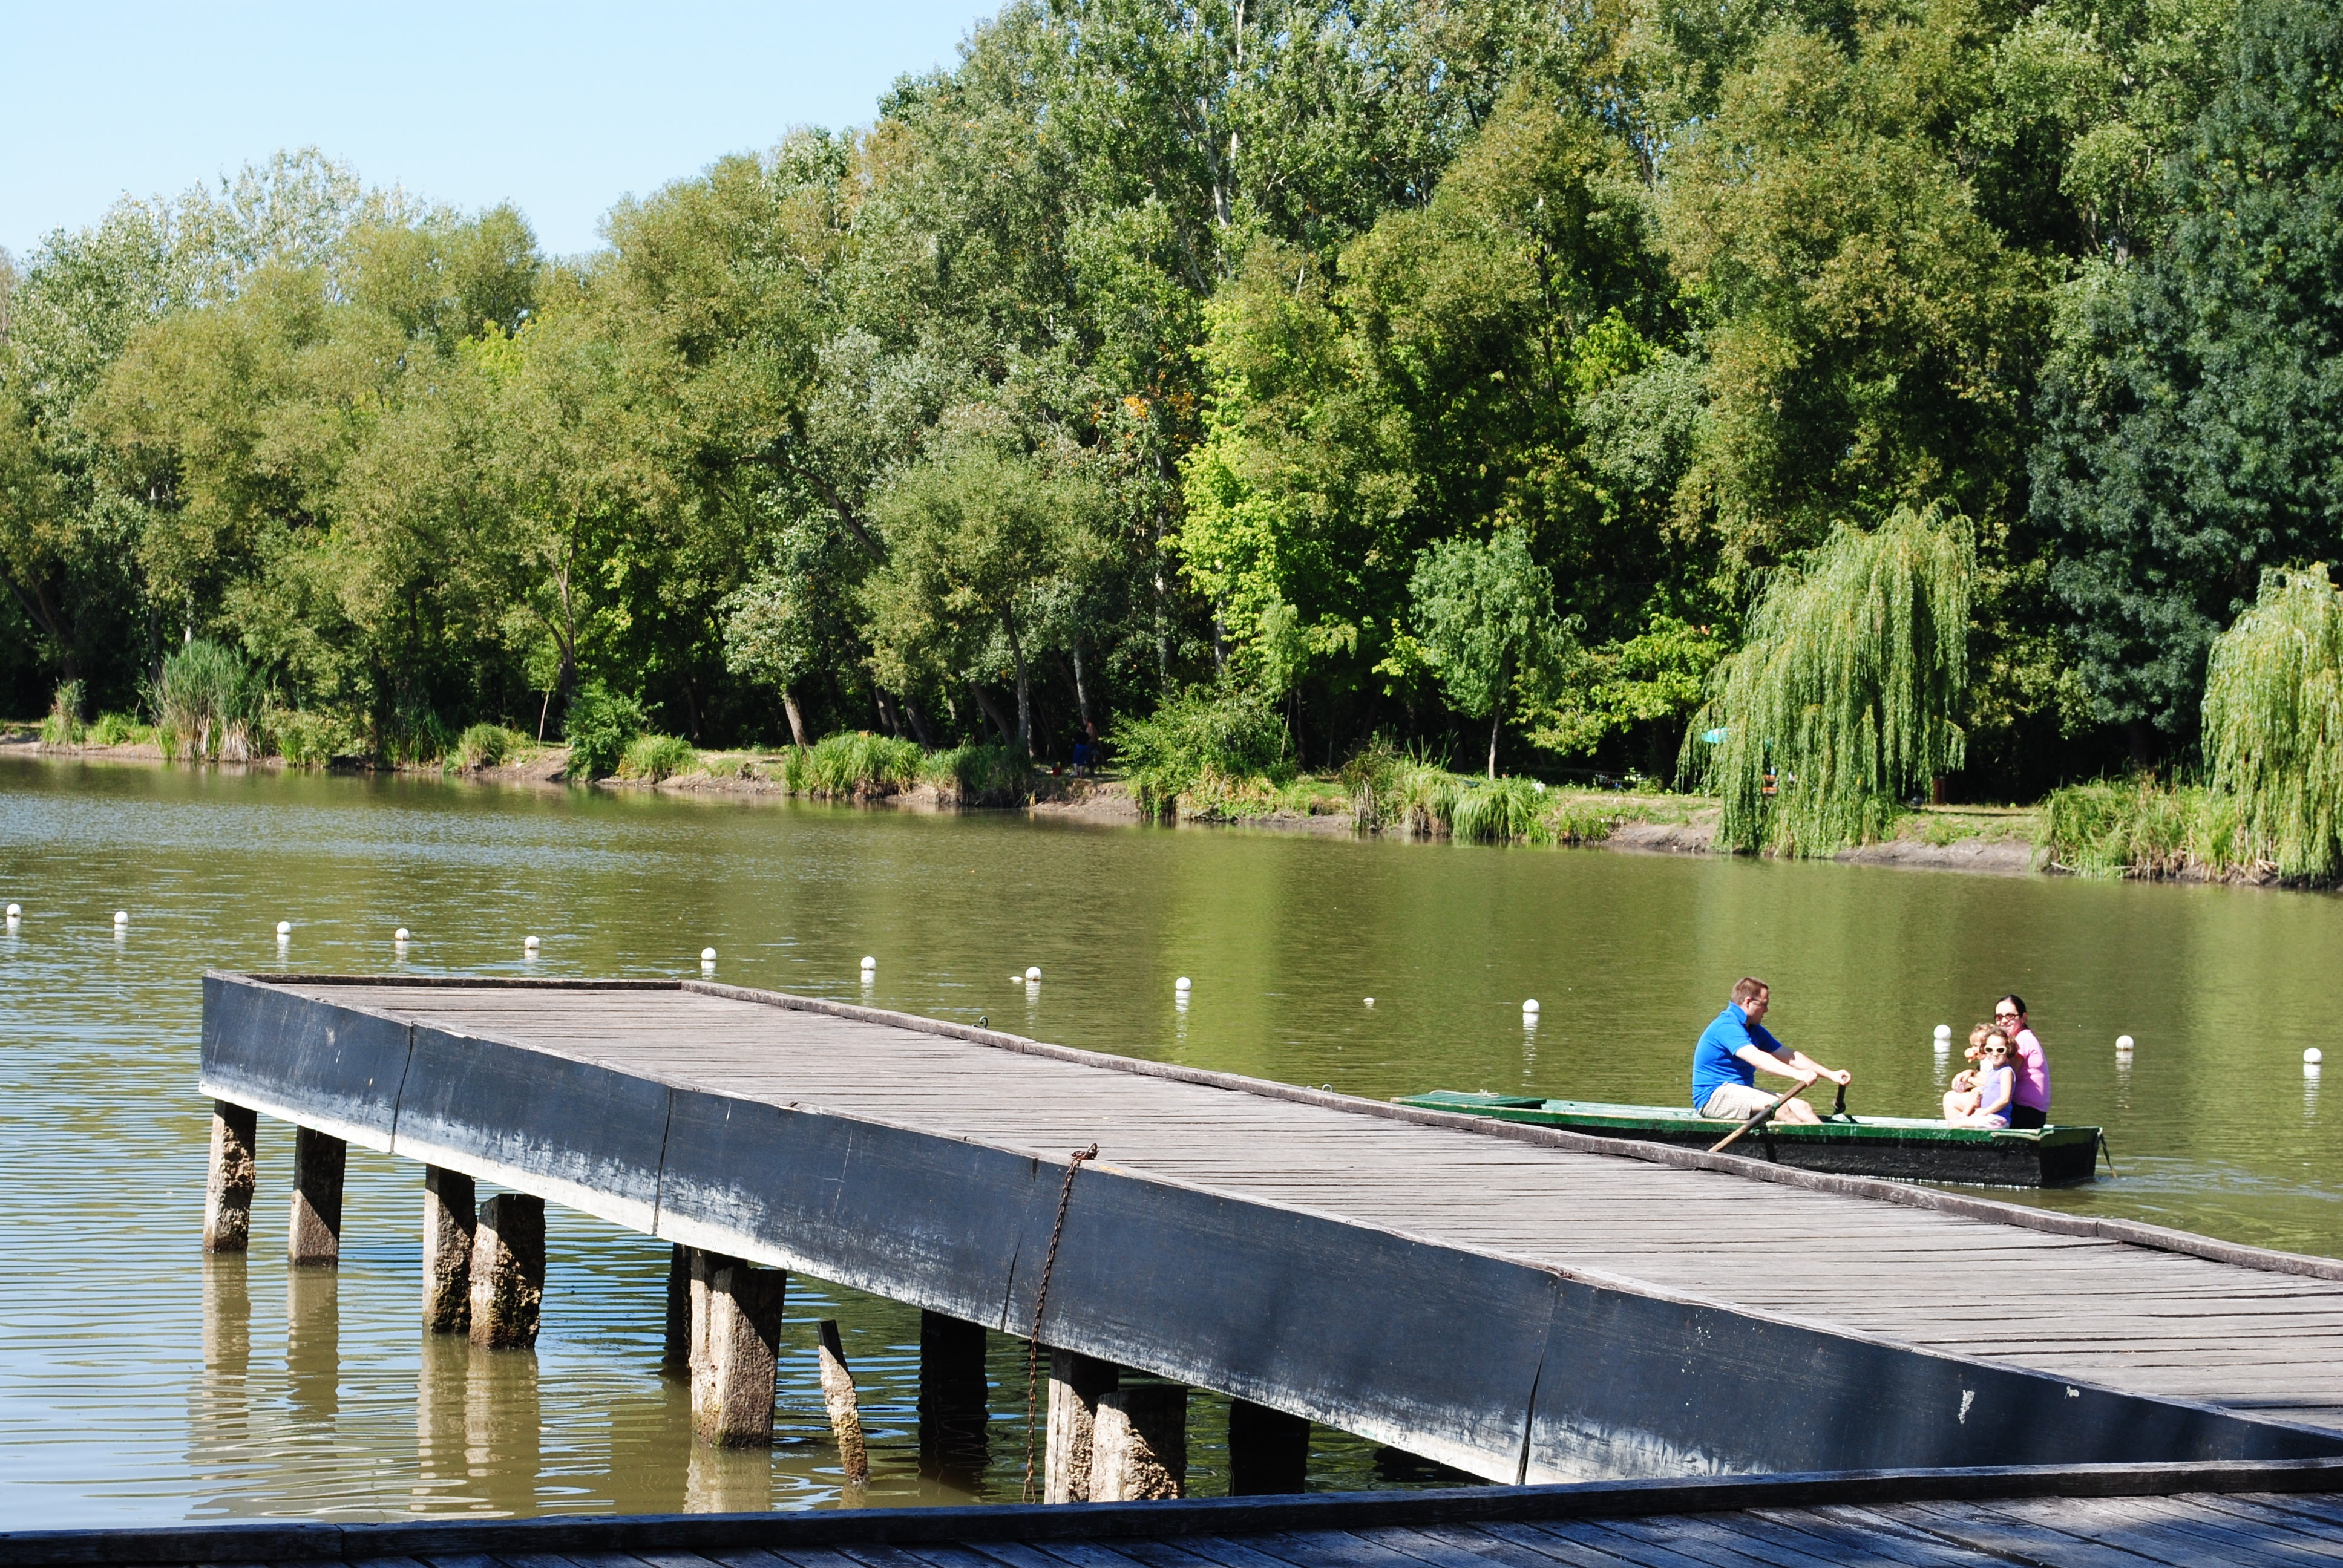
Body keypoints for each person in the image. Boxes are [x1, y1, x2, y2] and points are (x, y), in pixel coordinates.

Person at [1691, 976, 1852, 1125]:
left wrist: (1831, 1074)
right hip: (1713, 1097)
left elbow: (1790, 1057)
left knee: (1804, 1108)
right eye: (1764, 1004)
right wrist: (1797, 1074)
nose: (1767, 1010)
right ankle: (1800, 1151)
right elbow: (1759, 1060)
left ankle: (1824, 1149)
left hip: (1741, 1092)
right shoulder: (1726, 1027)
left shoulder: (1754, 1030)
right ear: (1748, 1002)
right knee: (1780, 1108)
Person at [1994, 994, 2051, 1128]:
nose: (2003, 1021)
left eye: (2010, 1016)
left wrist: (1970, 1082)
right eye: (1999, 1017)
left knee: (1954, 1099)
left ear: (2023, 1018)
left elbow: (1998, 1080)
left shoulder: (2021, 1041)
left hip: (2027, 1116)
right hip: (2030, 1114)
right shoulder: (2017, 1038)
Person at [1951, 1031, 2016, 1128]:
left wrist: (1985, 1111)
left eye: (2000, 1050)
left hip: (1998, 1119)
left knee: (1958, 1125)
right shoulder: (1992, 1072)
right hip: (1988, 1116)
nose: (1995, 1054)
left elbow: (2005, 1099)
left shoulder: (2006, 1072)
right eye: (1990, 1049)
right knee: (1955, 1123)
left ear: (2009, 1050)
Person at [1941, 1023, 1989, 1121]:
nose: (1973, 1049)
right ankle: (1962, 1121)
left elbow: (1990, 1082)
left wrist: (1970, 1079)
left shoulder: (1990, 1061)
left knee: (1949, 1098)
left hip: (1988, 1099)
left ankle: (1959, 1126)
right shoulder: (1986, 1060)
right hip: (1983, 1095)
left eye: (1975, 1046)